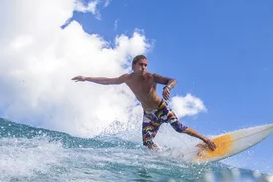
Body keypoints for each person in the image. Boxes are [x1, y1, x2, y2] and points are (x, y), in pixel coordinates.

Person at [72, 54, 216, 151]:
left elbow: (172, 80)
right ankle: (161, 154)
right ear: (133, 65)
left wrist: (168, 87)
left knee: (179, 127)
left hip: (161, 108)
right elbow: (108, 81)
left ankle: (205, 140)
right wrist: (86, 78)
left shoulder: (151, 77)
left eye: (146, 65)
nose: (144, 67)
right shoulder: (127, 78)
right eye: (141, 64)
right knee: (147, 143)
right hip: (148, 114)